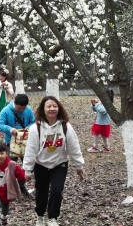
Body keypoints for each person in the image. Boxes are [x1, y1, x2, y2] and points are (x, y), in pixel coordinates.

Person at [23, 96, 85, 226]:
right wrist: (27, 170)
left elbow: (73, 147)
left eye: (55, 106)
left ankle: (52, 217)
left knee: (57, 191)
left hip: (59, 164)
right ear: (43, 109)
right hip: (41, 164)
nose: (52, 109)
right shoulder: (36, 128)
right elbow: (31, 150)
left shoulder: (65, 126)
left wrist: (79, 165)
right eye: (49, 106)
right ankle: (40, 216)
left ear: (59, 108)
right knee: (41, 192)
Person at [0, 93, 35, 196]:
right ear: (15, 103)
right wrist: (9, 129)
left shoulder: (28, 110)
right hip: (11, 144)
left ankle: (22, 186)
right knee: (9, 167)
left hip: (26, 143)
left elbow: (33, 122)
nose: (21, 110)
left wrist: (29, 127)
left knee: (28, 167)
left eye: (23, 108)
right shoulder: (6, 110)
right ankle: (6, 190)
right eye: (19, 108)